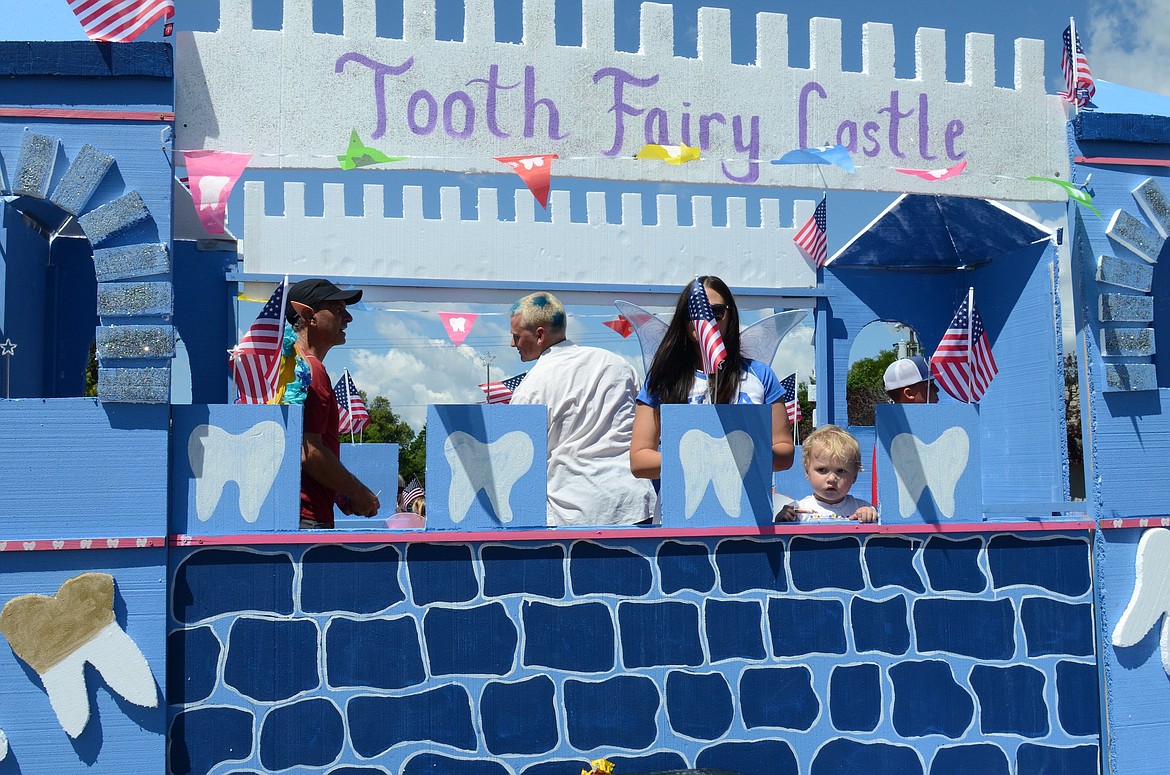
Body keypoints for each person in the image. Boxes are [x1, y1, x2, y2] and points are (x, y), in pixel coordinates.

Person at [508, 291, 656, 526]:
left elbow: (518, 464)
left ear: (539, 335)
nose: (512, 343)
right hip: (634, 505)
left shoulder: (531, 388)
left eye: (516, 336)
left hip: (574, 513)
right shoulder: (619, 365)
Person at [630, 276, 796, 479]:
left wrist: (746, 454)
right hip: (680, 504)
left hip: (747, 504)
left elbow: (785, 452)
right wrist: (701, 458)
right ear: (682, 320)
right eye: (693, 313)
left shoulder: (760, 375)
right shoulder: (662, 378)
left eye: (716, 312)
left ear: (730, 315)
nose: (705, 321)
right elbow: (639, 461)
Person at [286, 278, 381, 528]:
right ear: (308, 315)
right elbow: (309, 452)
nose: (348, 318)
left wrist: (339, 491)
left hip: (295, 513)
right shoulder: (311, 370)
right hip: (307, 519)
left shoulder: (291, 365)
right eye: (338, 309)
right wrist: (358, 492)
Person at [779, 425, 877, 522]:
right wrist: (781, 520)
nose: (831, 479)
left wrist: (870, 515)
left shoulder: (862, 508)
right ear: (807, 472)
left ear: (855, 476)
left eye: (841, 471)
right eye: (822, 470)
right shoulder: (797, 511)